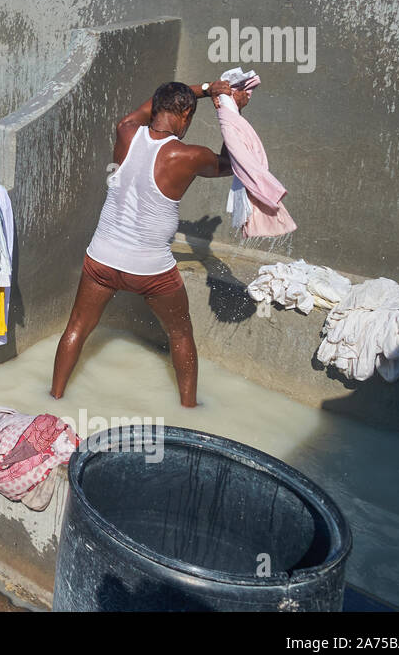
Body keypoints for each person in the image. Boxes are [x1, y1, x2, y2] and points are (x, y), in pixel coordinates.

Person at [50, 79, 250, 408]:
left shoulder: (126, 130)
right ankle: (189, 410)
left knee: (77, 327)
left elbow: (152, 104)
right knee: (181, 335)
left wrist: (204, 88)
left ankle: (53, 400)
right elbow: (232, 164)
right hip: (151, 272)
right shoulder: (190, 156)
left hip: (101, 260)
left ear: (155, 107)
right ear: (185, 114)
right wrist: (232, 110)